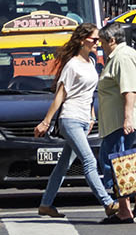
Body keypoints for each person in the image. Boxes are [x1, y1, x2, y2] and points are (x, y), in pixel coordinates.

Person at [36, 23, 118, 219]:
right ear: (82, 40)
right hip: (70, 118)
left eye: (99, 40)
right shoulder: (72, 65)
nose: (98, 43)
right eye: (94, 40)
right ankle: (108, 203)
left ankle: (46, 204)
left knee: (63, 165)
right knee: (89, 161)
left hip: (82, 120)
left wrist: (91, 116)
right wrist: (46, 121)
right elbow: (61, 94)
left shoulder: (90, 61)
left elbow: (88, 93)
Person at [96, 22, 136, 222]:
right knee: (121, 162)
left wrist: (128, 118)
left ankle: (133, 201)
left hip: (123, 120)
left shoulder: (122, 57)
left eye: (102, 43)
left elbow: (129, 90)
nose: (100, 47)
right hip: (118, 121)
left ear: (112, 40)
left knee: (114, 163)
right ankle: (131, 203)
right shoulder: (119, 56)